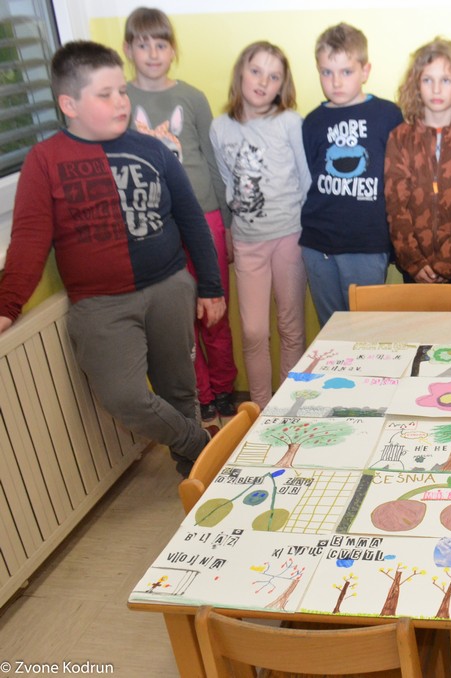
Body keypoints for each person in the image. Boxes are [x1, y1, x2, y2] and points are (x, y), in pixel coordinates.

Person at [0, 41, 225, 477]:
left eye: (122, 91)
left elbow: (192, 220)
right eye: (105, 94)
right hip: (101, 304)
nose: (121, 102)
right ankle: (201, 443)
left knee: (180, 390)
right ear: (70, 104)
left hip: (169, 287)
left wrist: (211, 286)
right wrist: (7, 306)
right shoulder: (44, 160)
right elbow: (28, 238)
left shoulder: (153, 149)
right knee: (124, 397)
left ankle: (196, 477)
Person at [123, 6, 237, 422]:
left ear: (173, 50)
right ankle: (200, 394)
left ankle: (225, 389)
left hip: (206, 218)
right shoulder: (122, 99)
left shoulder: (192, 97)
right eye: (143, 45)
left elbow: (213, 162)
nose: (153, 53)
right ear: (128, 50)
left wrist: (226, 225)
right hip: (158, 227)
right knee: (179, 321)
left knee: (215, 312)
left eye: (161, 44)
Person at [210, 42, 310, 409]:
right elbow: (227, 182)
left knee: (290, 327)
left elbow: (306, 180)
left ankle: (288, 406)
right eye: (256, 71)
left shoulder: (290, 123)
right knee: (253, 331)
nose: (263, 82)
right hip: (248, 242)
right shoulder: (220, 127)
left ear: (283, 85)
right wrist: (230, 232)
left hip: (289, 237)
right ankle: (260, 409)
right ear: (241, 72)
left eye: (273, 76)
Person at [300, 22, 403, 325]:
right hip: (318, 244)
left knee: (367, 331)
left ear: (365, 70)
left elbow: (399, 179)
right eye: (326, 72)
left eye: (346, 71)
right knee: (331, 330)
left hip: (367, 243)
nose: (336, 82)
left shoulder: (388, 115)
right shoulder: (312, 121)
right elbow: (309, 178)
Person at [384, 37, 451, 299]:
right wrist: (415, 263)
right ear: (416, 84)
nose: (436, 89)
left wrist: (445, 264)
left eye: (446, 80)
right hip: (414, 267)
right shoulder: (400, 138)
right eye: (428, 80)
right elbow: (396, 207)